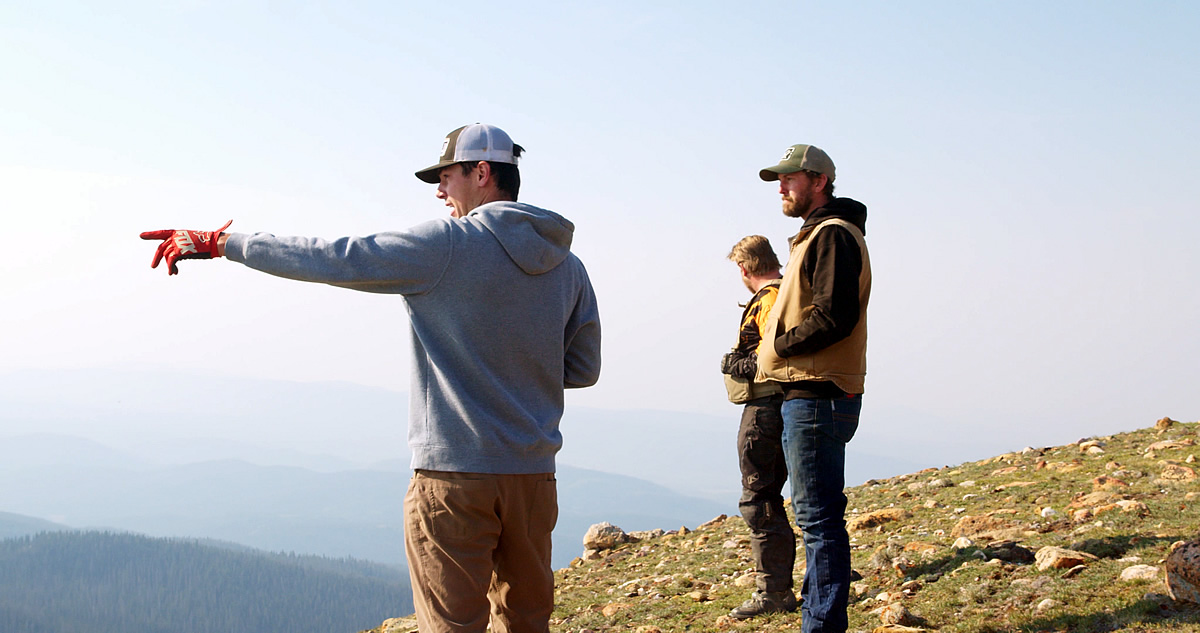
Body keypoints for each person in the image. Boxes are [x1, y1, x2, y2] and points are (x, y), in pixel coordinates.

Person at [140, 123, 602, 633]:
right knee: (527, 622)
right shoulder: (567, 264)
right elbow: (583, 369)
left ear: (482, 172)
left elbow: (335, 256)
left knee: (451, 624)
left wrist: (223, 242)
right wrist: (515, 365)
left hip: (453, 479)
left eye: (446, 176)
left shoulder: (446, 244)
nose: (439, 190)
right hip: (534, 480)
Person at [754, 144, 870, 633]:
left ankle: (821, 626)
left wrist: (779, 346)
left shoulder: (833, 235)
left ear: (819, 180)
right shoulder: (817, 236)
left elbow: (834, 316)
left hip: (818, 395)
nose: (781, 187)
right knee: (816, 517)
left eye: (790, 178)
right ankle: (818, 619)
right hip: (810, 393)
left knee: (819, 521)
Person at [719, 235, 797, 619]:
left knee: (759, 497)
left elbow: (773, 354)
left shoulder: (768, 299)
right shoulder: (792, 290)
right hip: (794, 404)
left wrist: (738, 365)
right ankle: (819, 578)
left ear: (744, 268)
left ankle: (773, 592)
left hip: (766, 406)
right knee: (803, 496)